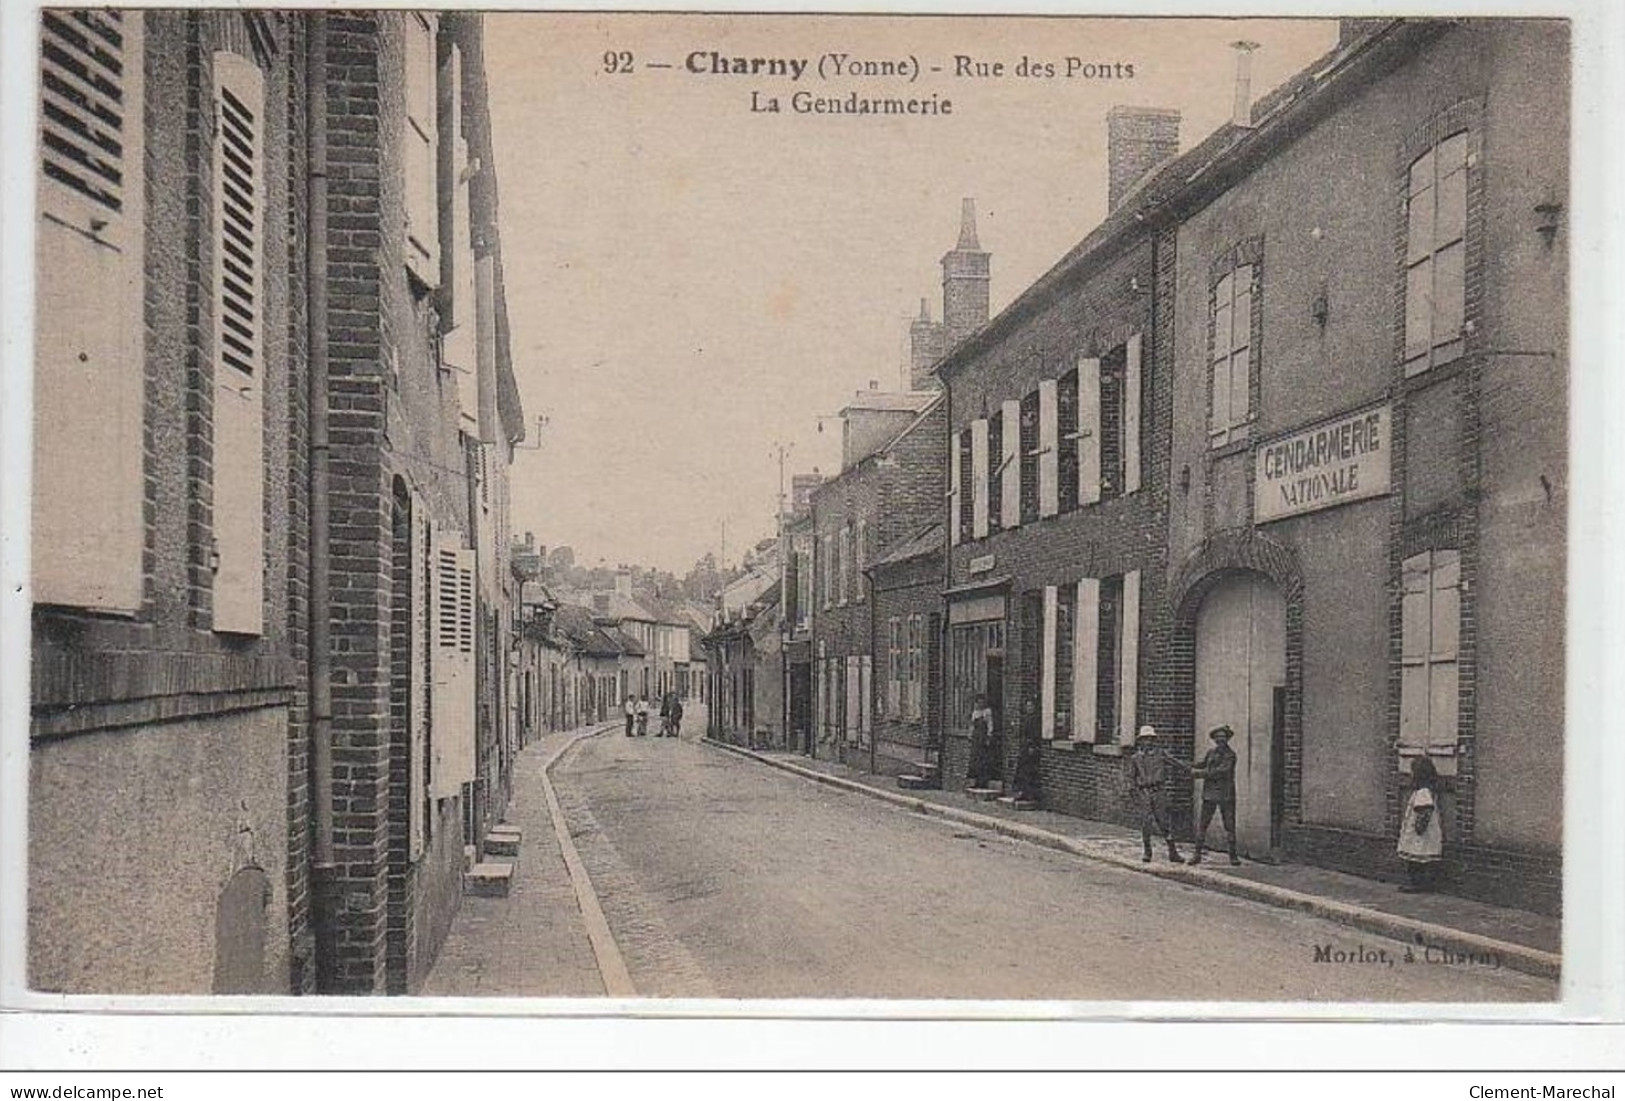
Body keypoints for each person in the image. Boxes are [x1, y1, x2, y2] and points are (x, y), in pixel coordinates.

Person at [1127, 725, 1186, 864]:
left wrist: (1191, 770)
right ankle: (1147, 851)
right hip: (1144, 792)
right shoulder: (1136, 758)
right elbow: (1131, 777)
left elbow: (1176, 763)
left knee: (1164, 822)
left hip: (1159, 791)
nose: (1148, 742)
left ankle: (1173, 851)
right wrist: (1133, 792)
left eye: (1150, 739)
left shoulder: (1161, 754)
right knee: (1146, 822)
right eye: (1145, 739)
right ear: (1140, 741)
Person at [1189, 725, 1241, 866]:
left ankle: (1233, 855)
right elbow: (1202, 764)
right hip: (1209, 794)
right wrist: (1189, 766)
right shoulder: (1211, 752)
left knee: (1229, 825)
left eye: (1223, 737)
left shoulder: (1230, 755)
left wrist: (1198, 774)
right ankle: (1197, 854)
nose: (1220, 739)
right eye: (1218, 737)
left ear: (1227, 739)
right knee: (1203, 825)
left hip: (1226, 794)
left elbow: (1221, 771)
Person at [1398, 755, 1444, 892]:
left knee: (1416, 861)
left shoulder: (1423, 792)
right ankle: (1420, 884)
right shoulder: (1425, 791)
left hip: (1420, 834)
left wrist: (1419, 828)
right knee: (1418, 860)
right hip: (1422, 832)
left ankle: (1417, 885)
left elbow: (1424, 812)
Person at [966, 693, 996, 790]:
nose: (980, 704)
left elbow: (990, 725)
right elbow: (972, 725)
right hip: (976, 738)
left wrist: (989, 736)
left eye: (982, 702)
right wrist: (970, 734)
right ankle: (975, 781)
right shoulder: (975, 713)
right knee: (975, 760)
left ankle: (983, 781)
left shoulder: (987, 712)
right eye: (978, 702)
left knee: (983, 760)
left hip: (982, 738)